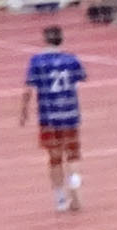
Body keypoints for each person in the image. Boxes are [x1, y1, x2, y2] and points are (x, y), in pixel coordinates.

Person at [23, 19, 87, 211]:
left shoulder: (37, 61)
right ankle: (75, 191)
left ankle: (60, 199)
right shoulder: (72, 60)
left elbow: (28, 89)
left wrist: (23, 111)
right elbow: (79, 79)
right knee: (73, 157)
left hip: (49, 116)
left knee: (55, 158)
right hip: (69, 114)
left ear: (44, 40)